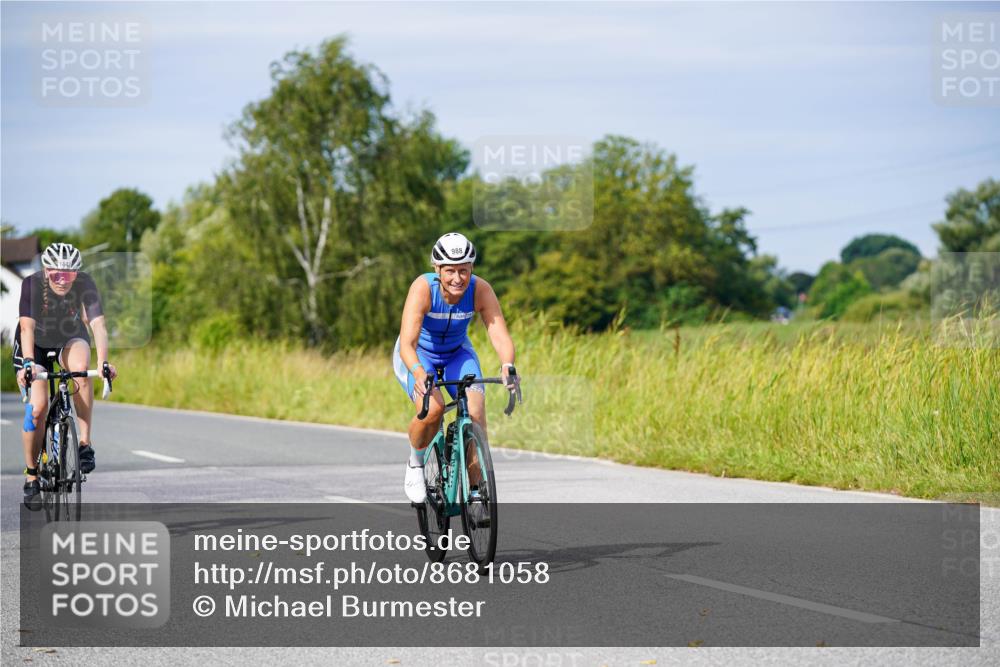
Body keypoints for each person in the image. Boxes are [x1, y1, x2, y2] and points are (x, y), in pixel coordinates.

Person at [392, 233, 518, 503]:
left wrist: (508, 364)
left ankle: (476, 491)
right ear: (437, 269)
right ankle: (415, 462)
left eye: (464, 270)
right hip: (418, 355)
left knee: (475, 413)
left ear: (471, 268)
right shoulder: (423, 288)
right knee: (433, 409)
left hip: (457, 353)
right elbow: (407, 344)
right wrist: (419, 373)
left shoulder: (480, 289)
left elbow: (500, 335)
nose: (457, 278)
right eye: (450, 271)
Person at [13, 242, 118, 509]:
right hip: (34, 344)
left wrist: (103, 362)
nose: (63, 280)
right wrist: (28, 364)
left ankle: (84, 443)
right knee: (38, 408)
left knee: (81, 371)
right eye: (57, 273)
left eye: (69, 274)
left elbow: (98, 324)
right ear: (47, 271)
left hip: (69, 336)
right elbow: (26, 329)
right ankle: (32, 474)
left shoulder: (85, 283)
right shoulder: (32, 284)